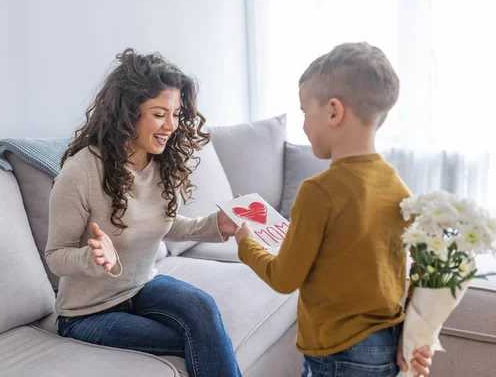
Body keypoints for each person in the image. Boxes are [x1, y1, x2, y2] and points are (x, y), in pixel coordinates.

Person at [234, 42, 433, 377]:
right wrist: (412, 334)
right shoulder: (397, 186)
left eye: (303, 111)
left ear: (333, 112)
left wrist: (245, 243)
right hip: (387, 344)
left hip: (336, 355)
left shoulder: (317, 192)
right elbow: (427, 264)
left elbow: (284, 278)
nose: (302, 125)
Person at [45, 48, 241, 377]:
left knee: (203, 311)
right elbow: (55, 255)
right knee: (200, 339)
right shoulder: (82, 171)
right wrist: (90, 259)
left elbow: (162, 224)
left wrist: (216, 225)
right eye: (160, 114)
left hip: (140, 287)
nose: (172, 126)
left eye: (176, 114)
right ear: (129, 112)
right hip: (87, 314)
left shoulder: (160, 162)